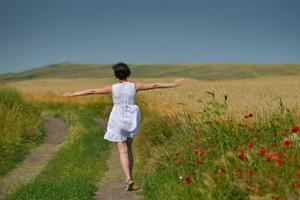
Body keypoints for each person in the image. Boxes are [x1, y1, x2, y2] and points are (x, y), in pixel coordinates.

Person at [63, 62, 184, 191]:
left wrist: (73, 94)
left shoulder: (113, 88)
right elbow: (155, 85)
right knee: (129, 148)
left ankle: (128, 178)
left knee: (122, 150)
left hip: (118, 118)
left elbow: (92, 91)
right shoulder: (135, 86)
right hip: (132, 118)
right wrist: (174, 84)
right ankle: (130, 177)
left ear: (116, 76)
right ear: (128, 73)